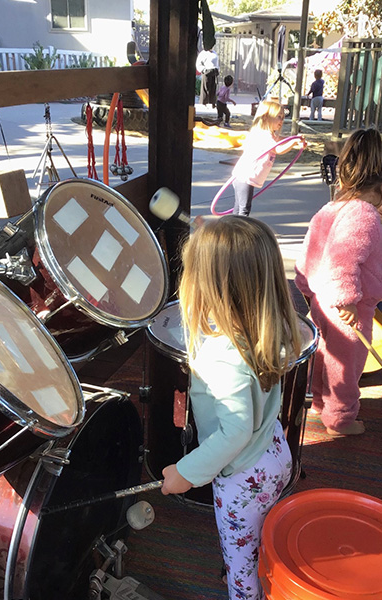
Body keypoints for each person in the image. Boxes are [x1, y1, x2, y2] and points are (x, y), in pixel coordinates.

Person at [161, 216, 302, 600]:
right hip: (273, 450)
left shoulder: (224, 357)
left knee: (239, 558)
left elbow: (235, 431)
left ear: (210, 286)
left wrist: (186, 473)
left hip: (242, 476)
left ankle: (246, 587)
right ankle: (259, 565)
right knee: (263, 531)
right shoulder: (267, 324)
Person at [295, 128, 382, 436]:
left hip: (321, 301)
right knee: (347, 365)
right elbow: (344, 259)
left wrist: (309, 291)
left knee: (323, 357)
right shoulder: (366, 215)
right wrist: (347, 301)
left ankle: (320, 402)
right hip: (350, 307)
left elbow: (308, 254)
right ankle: (341, 418)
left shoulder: (330, 209)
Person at [232, 100, 306, 217]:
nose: (281, 121)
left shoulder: (269, 134)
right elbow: (278, 149)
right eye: (278, 117)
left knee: (239, 207)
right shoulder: (263, 135)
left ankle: (232, 229)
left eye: (283, 117)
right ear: (266, 117)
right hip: (245, 176)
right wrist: (294, 142)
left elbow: (279, 139)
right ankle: (238, 231)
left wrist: (293, 139)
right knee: (243, 209)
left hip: (247, 176)